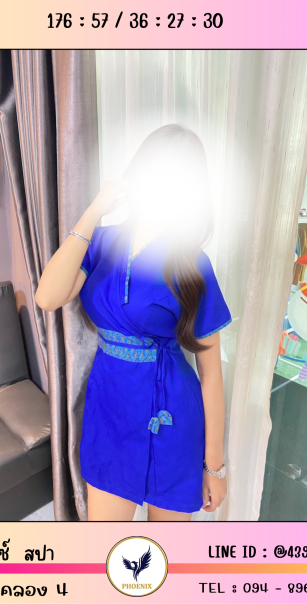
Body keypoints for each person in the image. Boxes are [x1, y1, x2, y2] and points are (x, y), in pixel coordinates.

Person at [36, 124, 232, 521]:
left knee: (164, 553)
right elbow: (47, 296)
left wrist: (214, 467)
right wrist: (93, 211)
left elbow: (211, 375)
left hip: (171, 415)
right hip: (110, 409)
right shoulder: (101, 242)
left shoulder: (193, 264)